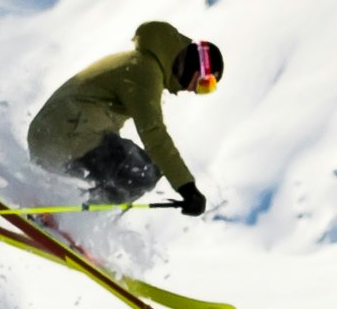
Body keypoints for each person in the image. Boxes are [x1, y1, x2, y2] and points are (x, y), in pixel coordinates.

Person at [26, 19, 223, 216]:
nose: (197, 91)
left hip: (55, 134)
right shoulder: (146, 71)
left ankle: (58, 206)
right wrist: (187, 188)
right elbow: (154, 134)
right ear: (197, 66)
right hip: (68, 132)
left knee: (134, 171)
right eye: (206, 83)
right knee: (142, 173)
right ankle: (67, 213)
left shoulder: (138, 64)